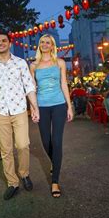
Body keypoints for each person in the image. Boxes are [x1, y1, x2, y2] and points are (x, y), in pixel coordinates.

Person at [0, 30, 39, 201]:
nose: (1, 43)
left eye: (4, 40)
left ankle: (24, 174)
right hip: (0, 112)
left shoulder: (20, 63)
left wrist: (34, 107)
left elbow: (29, 86)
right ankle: (13, 183)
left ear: (10, 43)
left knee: (23, 145)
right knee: (6, 150)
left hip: (19, 110)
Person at [30, 34, 73, 198]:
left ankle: (55, 181)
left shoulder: (60, 62)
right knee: (46, 141)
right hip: (41, 106)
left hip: (58, 105)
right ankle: (55, 161)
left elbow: (63, 84)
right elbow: (32, 89)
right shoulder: (33, 66)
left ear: (53, 45)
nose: (45, 44)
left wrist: (69, 106)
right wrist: (33, 108)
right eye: (42, 42)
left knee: (56, 141)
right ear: (39, 45)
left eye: (48, 42)